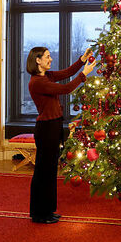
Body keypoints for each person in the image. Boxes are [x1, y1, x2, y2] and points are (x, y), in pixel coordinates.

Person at [26, 46, 96, 224]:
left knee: (50, 171)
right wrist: (84, 74)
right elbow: (66, 89)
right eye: (47, 57)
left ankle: (47, 210)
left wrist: (82, 60)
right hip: (46, 129)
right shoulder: (38, 82)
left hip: (54, 125)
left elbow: (67, 73)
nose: (50, 59)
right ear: (38, 60)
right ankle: (40, 214)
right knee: (43, 172)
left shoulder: (47, 76)